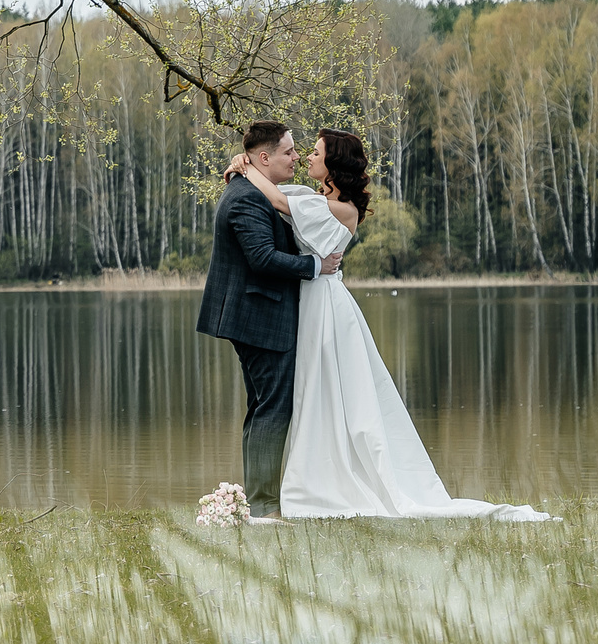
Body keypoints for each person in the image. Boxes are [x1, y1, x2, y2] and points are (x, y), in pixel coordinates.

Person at [224, 129, 554, 522]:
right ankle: (304, 481)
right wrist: (242, 168)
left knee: (332, 390)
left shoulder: (342, 208)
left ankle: (321, 484)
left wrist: (245, 169)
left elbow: (276, 198)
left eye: (314, 152)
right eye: (301, 151)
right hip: (308, 301)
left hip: (325, 305)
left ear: (334, 165)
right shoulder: (317, 200)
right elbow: (279, 197)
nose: (305, 157)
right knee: (314, 393)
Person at [196, 120, 341, 521]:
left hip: (258, 313)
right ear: (264, 158)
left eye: (298, 151)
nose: (296, 157)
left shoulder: (254, 190)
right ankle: (263, 506)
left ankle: (259, 502)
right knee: (272, 408)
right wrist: (316, 265)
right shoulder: (246, 199)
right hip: (259, 316)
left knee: (264, 406)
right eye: (289, 152)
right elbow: (262, 257)